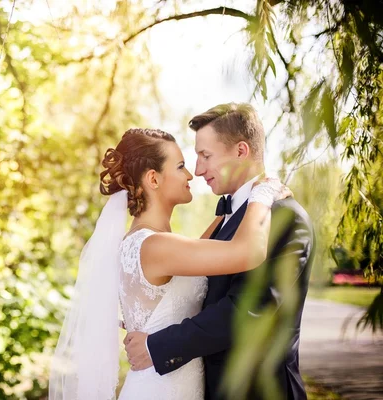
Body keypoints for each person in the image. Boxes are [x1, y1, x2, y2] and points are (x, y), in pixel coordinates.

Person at [49, 122, 293, 399]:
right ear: (153, 180)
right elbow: (249, 252)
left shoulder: (154, 242)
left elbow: (204, 249)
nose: (192, 174)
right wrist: (263, 193)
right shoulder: (155, 246)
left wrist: (234, 201)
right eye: (180, 166)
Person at [124, 103, 315, 400]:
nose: (197, 171)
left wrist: (157, 345)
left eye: (205, 156)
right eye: (189, 162)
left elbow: (245, 311)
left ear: (241, 151)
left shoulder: (281, 217)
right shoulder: (230, 219)